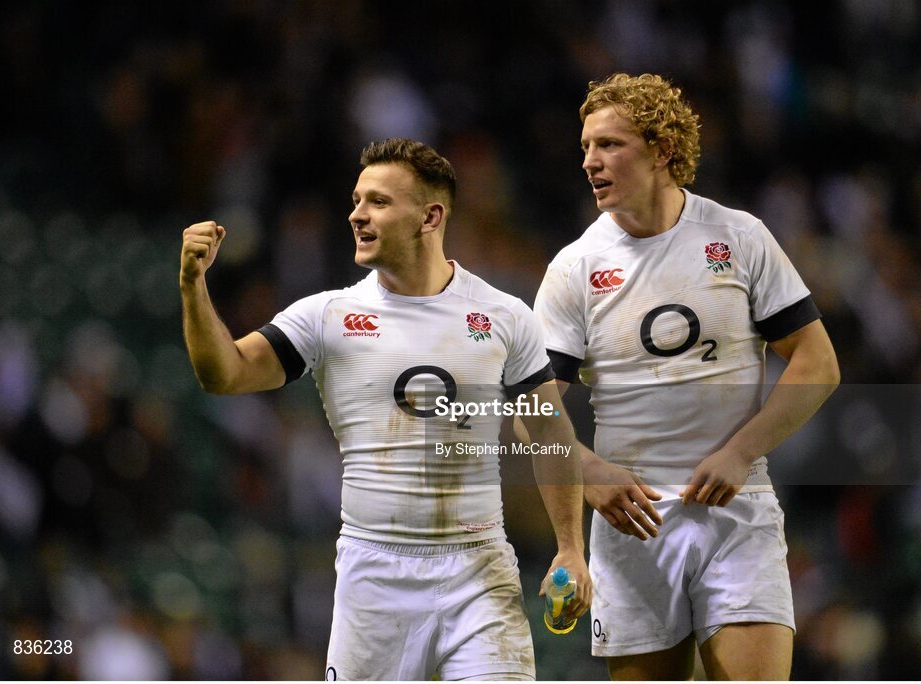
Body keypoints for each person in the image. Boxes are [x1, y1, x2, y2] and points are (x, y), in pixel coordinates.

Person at [180, 138, 592, 681]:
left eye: (377, 201)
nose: (356, 214)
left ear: (430, 216)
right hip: (374, 576)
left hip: (479, 568)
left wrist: (570, 547)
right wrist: (192, 287)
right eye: (356, 200)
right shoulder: (328, 316)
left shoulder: (503, 315)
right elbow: (224, 373)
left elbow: (547, 433)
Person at [532, 73, 840, 680]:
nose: (591, 161)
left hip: (737, 512)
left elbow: (817, 360)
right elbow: (530, 404)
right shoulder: (575, 268)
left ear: (663, 150)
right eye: (586, 147)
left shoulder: (737, 236)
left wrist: (741, 452)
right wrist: (589, 472)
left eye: (610, 145)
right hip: (633, 522)